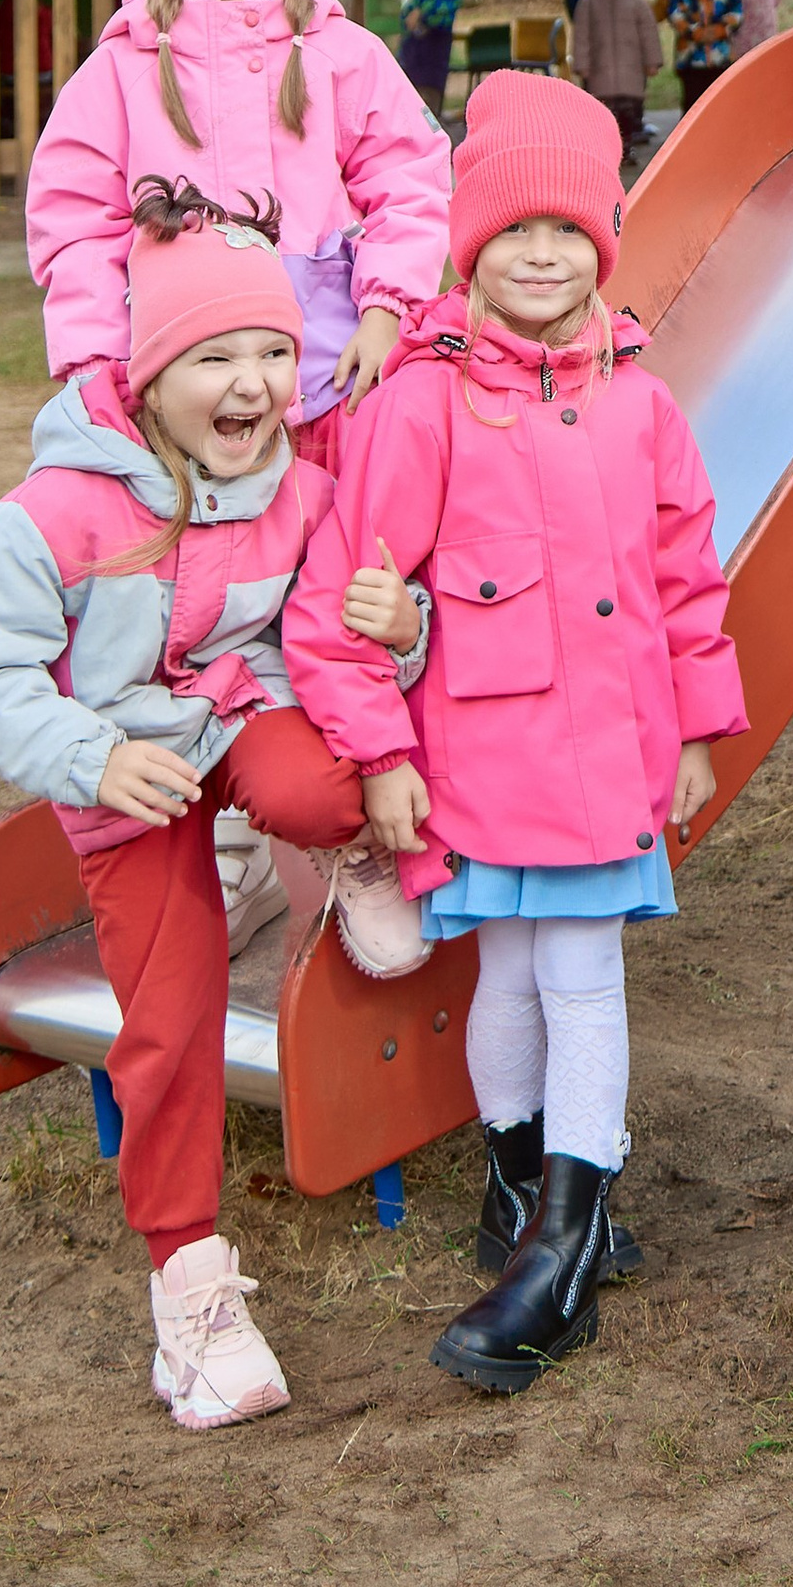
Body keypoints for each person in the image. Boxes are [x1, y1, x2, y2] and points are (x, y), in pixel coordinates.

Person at [0, 192, 431, 1429]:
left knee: (317, 782)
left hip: (247, 715)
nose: (255, 385)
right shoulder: (53, 512)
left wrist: (407, 636)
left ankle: (344, 859)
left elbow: (341, 642)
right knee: (168, 1013)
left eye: (274, 352)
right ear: (149, 374)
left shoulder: (303, 489)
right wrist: (93, 758)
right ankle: (190, 1290)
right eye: (216, 357)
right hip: (128, 768)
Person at [285, 76, 745, 1393]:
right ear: (466, 246)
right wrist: (380, 757)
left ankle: (558, 1249)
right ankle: (520, 1183)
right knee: (509, 976)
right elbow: (342, 611)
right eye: (512, 232)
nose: (540, 257)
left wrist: (701, 727)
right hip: (481, 753)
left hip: (607, 749)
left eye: (567, 233)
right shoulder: (421, 405)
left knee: (584, 975)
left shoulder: (640, 406)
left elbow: (685, 581)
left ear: (601, 244)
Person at [28, 0, 452, 475]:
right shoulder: (119, 70)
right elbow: (75, 224)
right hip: (174, 402)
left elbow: (410, 185)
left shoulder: (343, 56)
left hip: (327, 388)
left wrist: (387, 312)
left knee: (330, 568)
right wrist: (100, 365)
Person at [570, 0, 663, 161]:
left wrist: (652, 61)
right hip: (599, 71)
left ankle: (626, 146)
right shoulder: (588, 3)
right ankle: (606, 151)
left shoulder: (637, 2)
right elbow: (581, 36)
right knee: (603, 114)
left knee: (629, 113)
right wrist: (581, 64)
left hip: (630, 72)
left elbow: (648, 34)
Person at [664, 0, 742, 120]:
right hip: (690, 58)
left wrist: (720, 30)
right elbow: (674, 13)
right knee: (692, 103)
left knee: (719, 101)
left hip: (720, 58)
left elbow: (737, 10)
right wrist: (694, 32)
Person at [391, 0, 461, 112]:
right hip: (413, 70)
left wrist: (423, 14)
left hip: (429, 75)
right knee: (413, 117)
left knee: (428, 120)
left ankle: (438, 139)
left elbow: (445, 11)